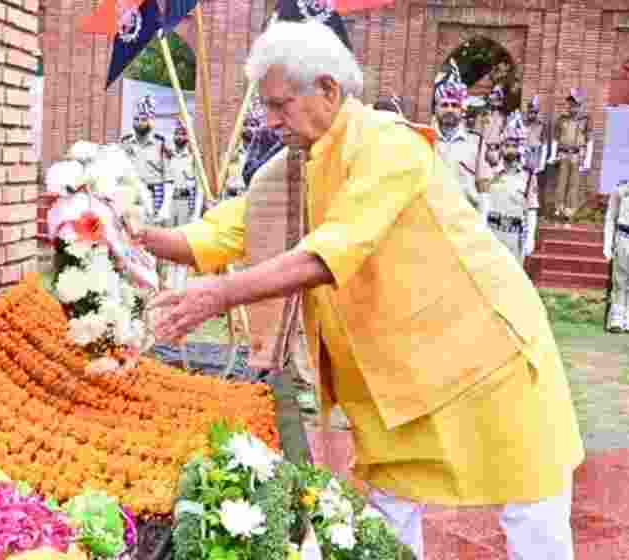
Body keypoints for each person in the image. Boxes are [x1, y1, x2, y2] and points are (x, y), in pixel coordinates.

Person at [144, 19, 583, 560]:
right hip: (396, 379)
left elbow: (329, 253)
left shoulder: (385, 146)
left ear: (328, 89)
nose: (269, 119)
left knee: (531, 505)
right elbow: (221, 232)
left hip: (485, 360)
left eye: (280, 104)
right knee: (389, 513)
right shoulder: (293, 168)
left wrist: (217, 296)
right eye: (267, 106)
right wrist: (129, 231)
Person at [432, 61, 486, 218]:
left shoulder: (477, 143)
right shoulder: (425, 139)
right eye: (445, 105)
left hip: (464, 219)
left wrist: (482, 224)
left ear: (462, 110)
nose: (449, 109)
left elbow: (483, 187)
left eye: (455, 105)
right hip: (432, 218)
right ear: (436, 109)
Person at [486, 111, 539, 265]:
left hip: (514, 237)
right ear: (501, 146)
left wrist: (530, 239)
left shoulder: (528, 176)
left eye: (514, 146)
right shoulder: (490, 172)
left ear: (519, 148)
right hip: (492, 233)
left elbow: (531, 209)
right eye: (507, 145)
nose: (510, 149)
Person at [163, 120, 205, 291]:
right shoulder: (169, 156)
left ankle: (180, 285)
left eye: (183, 134)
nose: (179, 137)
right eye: (177, 134)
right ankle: (168, 283)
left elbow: (200, 187)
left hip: (186, 204)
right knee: (168, 243)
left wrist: (196, 212)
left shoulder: (194, 157)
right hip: (171, 202)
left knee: (183, 245)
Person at [121, 95, 173, 225]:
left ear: (151, 120)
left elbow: (169, 180)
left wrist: (165, 207)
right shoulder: (125, 143)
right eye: (136, 119)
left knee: (151, 238)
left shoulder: (161, 144)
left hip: (154, 197)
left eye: (144, 119)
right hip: (130, 197)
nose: (139, 122)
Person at [552, 88, 592, 220]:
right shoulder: (562, 119)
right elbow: (556, 138)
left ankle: (569, 211)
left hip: (577, 154)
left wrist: (588, 159)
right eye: (570, 103)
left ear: (580, 104)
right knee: (561, 182)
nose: (572, 106)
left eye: (575, 103)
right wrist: (553, 155)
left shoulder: (586, 120)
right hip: (563, 154)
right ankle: (559, 208)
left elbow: (590, 140)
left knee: (574, 184)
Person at [604, 179, 629, 333]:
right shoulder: (621, 190)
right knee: (620, 279)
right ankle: (617, 319)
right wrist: (607, 244)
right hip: (624, 236)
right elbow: (610, 217)